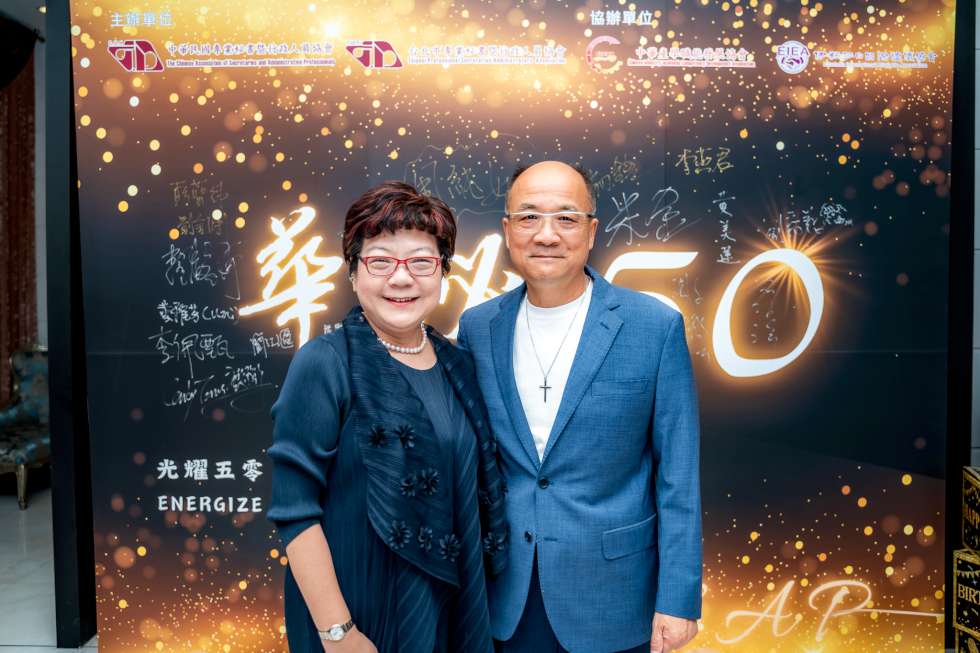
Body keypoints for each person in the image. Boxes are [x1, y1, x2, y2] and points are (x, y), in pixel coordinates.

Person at [457, 161, 702, 653]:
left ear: (591, 232)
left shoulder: (654, 326)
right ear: (507, 230)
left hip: (614, 592)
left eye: (566, 218)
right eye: (529, 217)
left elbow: (678, 475)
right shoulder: (478, 327)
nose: (546, 234)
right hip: (505, 592)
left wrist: (679, 599)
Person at [267, 181, 508, 653]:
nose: (401, 279)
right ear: (353, 271)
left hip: (447, 607)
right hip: (356, 614)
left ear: (443, 271)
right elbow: (296, 513)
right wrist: (338, 633)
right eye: (380, 261)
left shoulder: (458, 365)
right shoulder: (325, 363)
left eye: (421, 262)